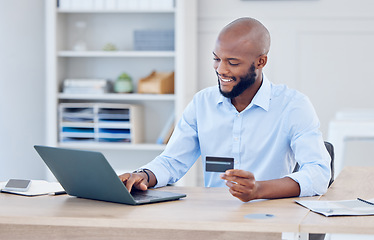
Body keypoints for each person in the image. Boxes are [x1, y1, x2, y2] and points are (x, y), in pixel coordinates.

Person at [119, 17, 331, 202]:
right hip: (215, 218)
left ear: (261, 61)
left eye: (232, 62)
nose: (221, 70)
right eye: (216, 59)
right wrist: (144, 176)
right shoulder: (202, 103)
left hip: (272, 216)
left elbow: (319, 174)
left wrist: (259, 190)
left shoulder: (293, 106)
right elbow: (172, 161)